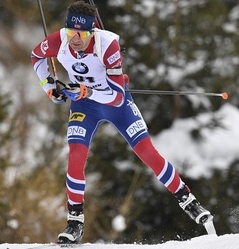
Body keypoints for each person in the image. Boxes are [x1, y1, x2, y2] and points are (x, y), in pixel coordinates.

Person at [31, 1, 213, 244]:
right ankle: (75, 221)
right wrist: (50, 88)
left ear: (92, 31)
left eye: (81, 34)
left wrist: (86, 92)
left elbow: (116, 97)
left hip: (114, 102)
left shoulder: (108, 45)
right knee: (75, 155)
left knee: (147, 151)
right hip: (84, 106)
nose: (75, 39)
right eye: (71, 32)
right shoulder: (60, 39)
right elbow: (36, 56)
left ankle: (187, 200)